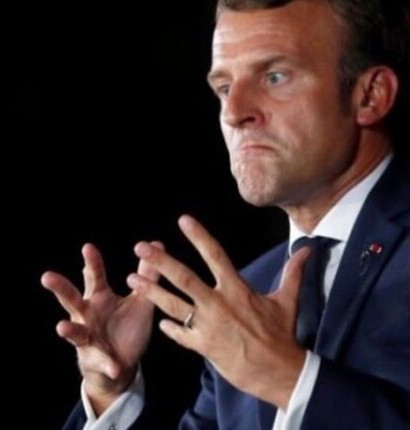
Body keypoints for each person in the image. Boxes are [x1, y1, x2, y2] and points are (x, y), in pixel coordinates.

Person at [42, 0, 410, 429]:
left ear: (371, 95)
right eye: (222, 87)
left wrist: (288, 378)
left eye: (275, 77)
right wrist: (111, 394)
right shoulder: (248, 291)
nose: (234, 113)